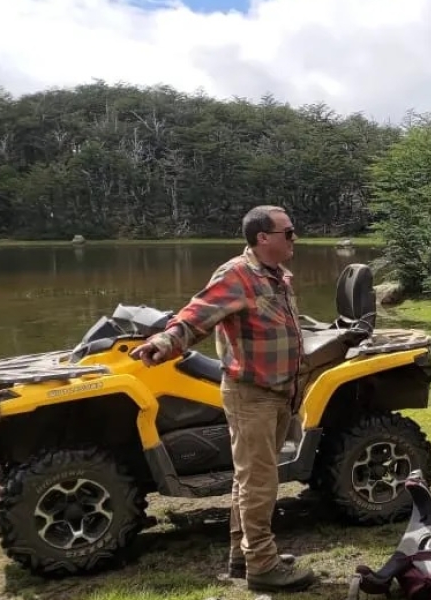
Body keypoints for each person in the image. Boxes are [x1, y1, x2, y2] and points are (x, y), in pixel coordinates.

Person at [130, 205, 318, 592]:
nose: (295, 238)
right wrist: (164, 342)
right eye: (289, 232)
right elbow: (195, 315)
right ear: (263, 238)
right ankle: (263, 567)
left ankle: (242, 554)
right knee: (260, 483)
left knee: (249, 479)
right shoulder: (236, 275)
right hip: (252, 395)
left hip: (281, 391)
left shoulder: (278, 275)